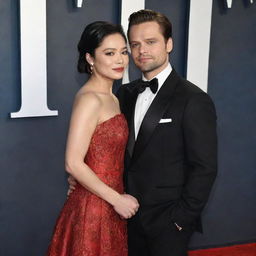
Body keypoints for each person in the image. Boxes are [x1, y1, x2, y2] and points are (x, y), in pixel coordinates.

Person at [69, 9, 217, 256]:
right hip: (123, 217)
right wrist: (82, 177)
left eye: (150, 42)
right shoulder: (123, 95)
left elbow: (205, 167)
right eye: (134, 45)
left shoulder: (193, 99)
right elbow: (106, 145)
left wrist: (181, 220)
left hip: (168, 224)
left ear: (168, 44)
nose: (141, 51)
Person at [46, 21, 139, 256]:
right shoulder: (90, 99)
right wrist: (116, 199)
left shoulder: (113, 97)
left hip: (108, 206)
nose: (120, 60)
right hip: (94, 209)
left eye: (123, 52)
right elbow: (73, 162)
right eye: (109, 53)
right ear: (90, 58)